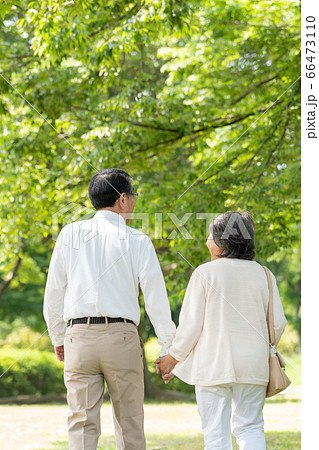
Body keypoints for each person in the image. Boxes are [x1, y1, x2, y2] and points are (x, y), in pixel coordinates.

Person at [43, 168, 176, 450]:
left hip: (78, 336)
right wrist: (168, 348)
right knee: (129, 423)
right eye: (133, 196)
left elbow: (54, 293)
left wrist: (58, 338)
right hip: (122, 338)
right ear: (123, 200)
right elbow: (156, 300)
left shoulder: (69, 233)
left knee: (80, 424)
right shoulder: (138, 240)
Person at [155, 211, 287, 450]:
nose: (207, 241)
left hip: (213, 365)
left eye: (210, 236)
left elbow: (190, 327)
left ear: (222, 242)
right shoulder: (265, 274)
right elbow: (278, 324)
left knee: (216, 436)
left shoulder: (205, 273)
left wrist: (172, 359)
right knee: (251, 427)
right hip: (253, 365)